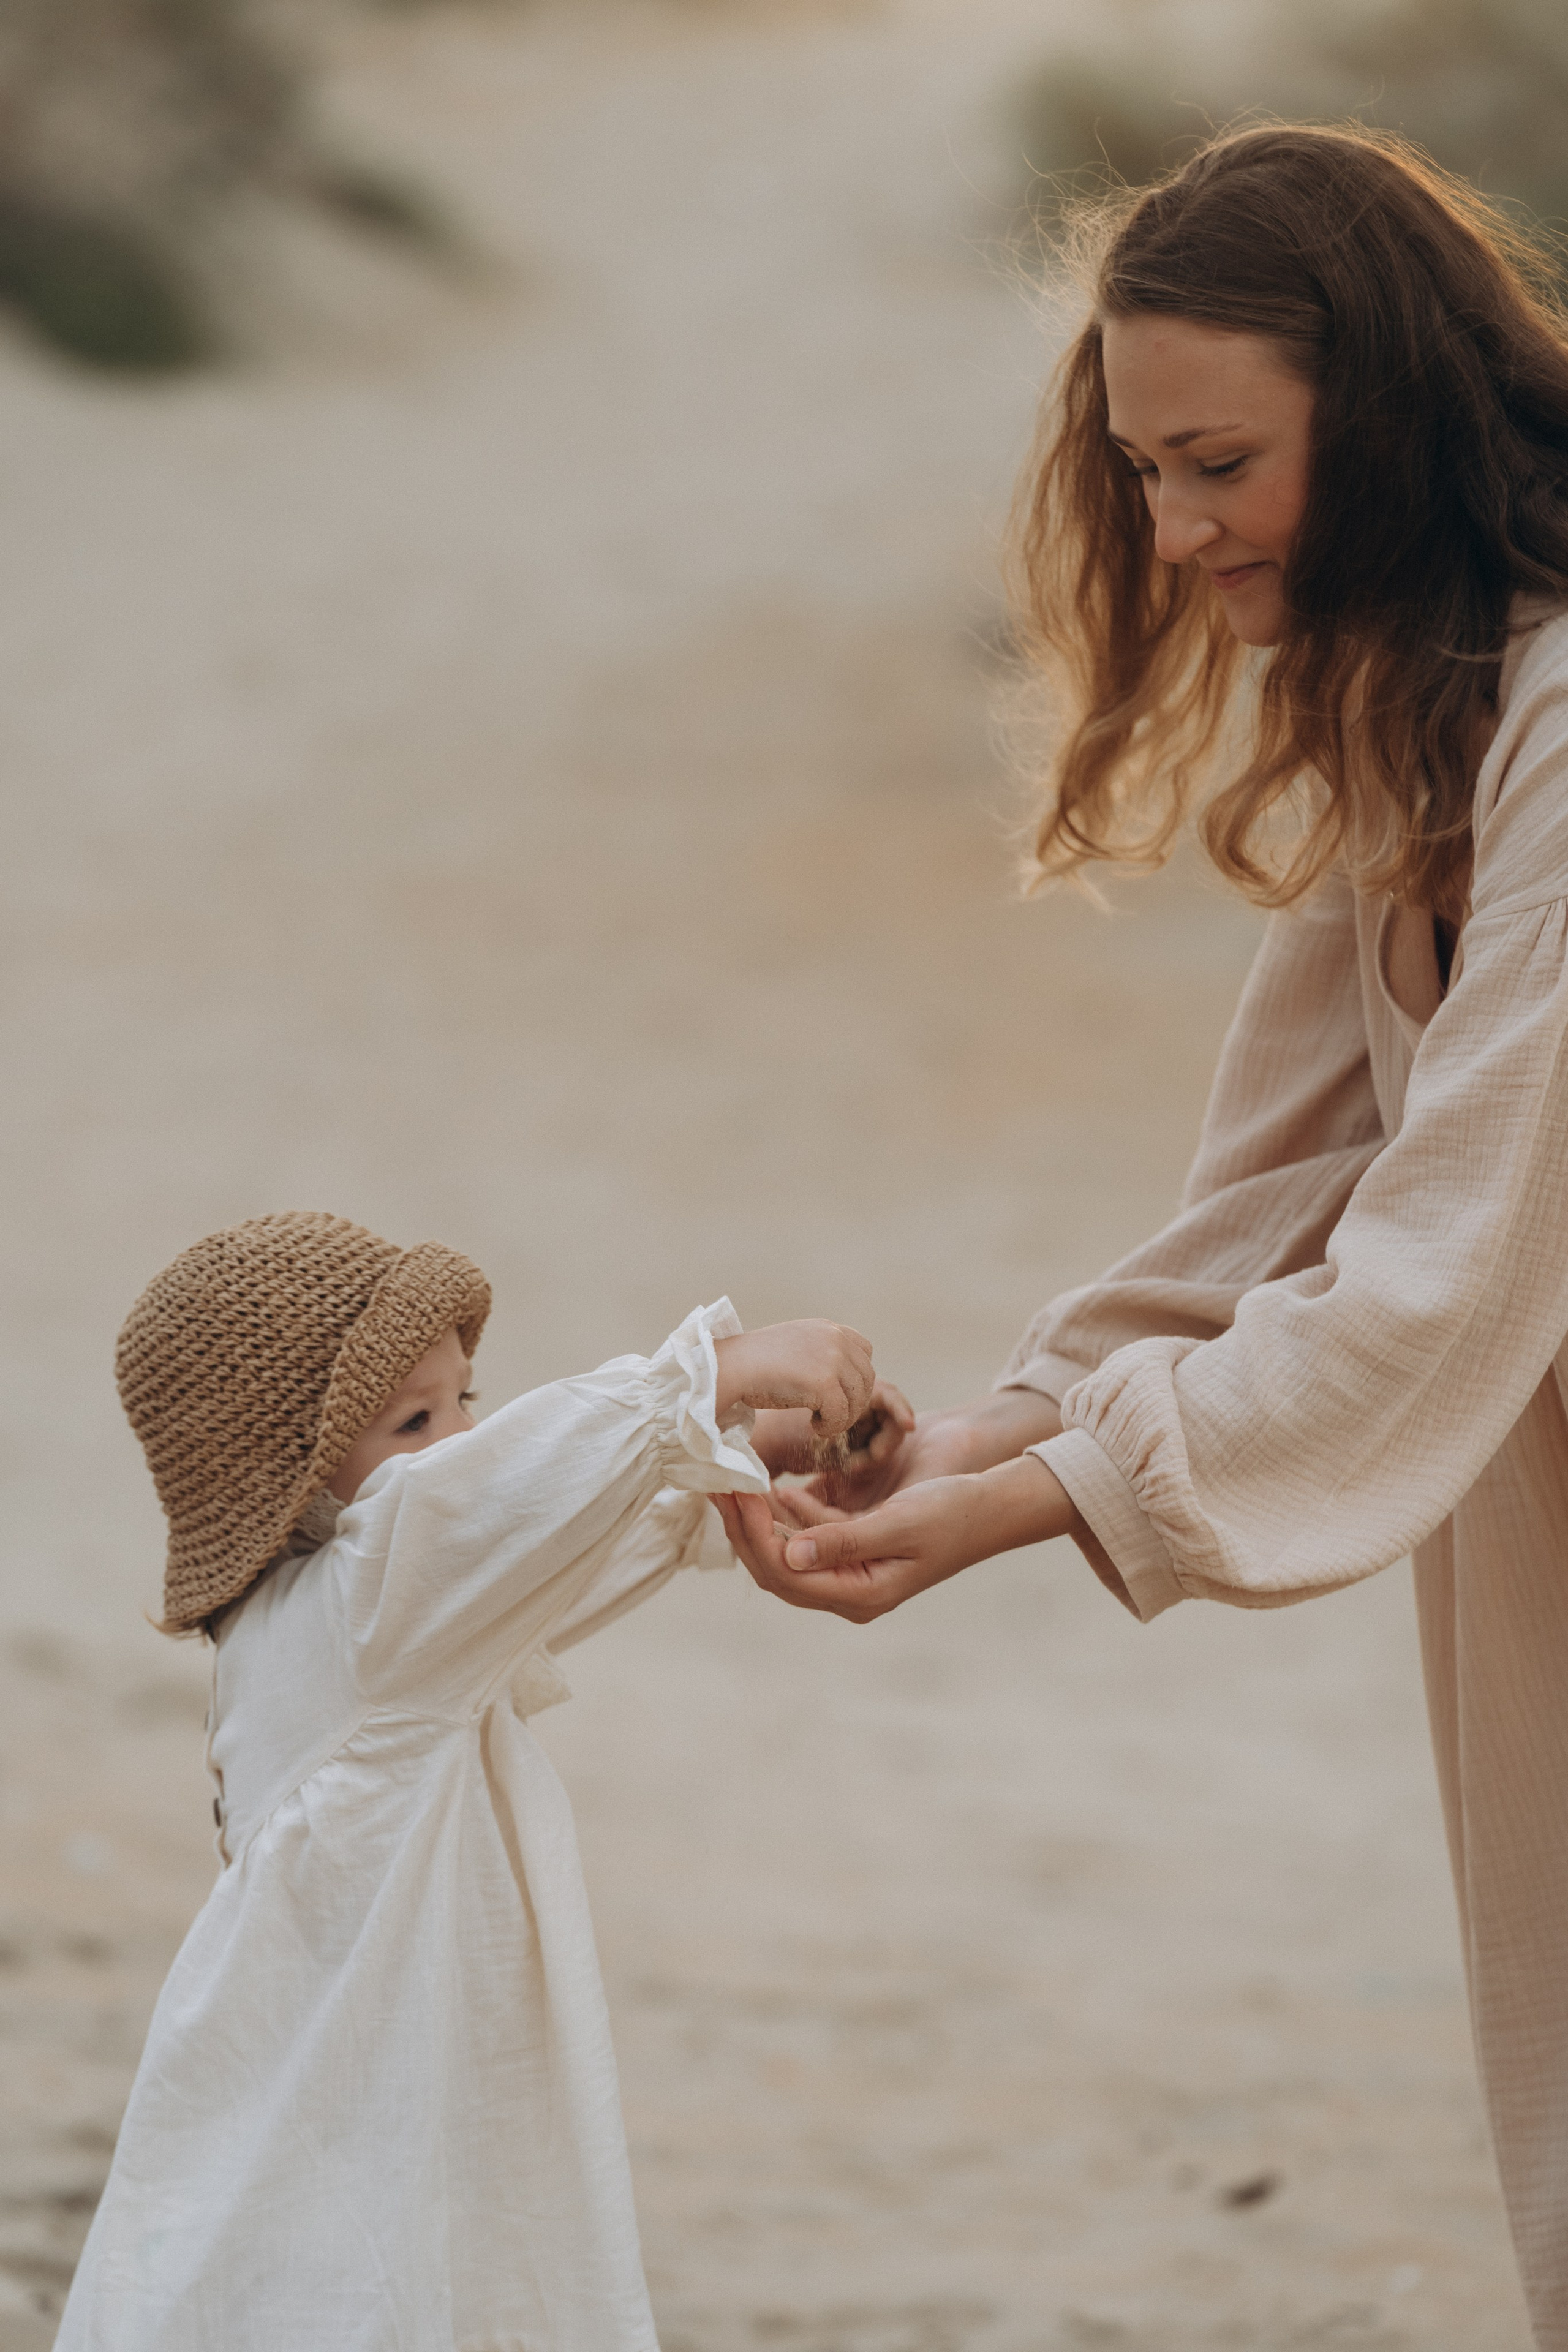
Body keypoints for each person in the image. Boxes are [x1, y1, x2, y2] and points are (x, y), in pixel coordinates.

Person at [722, 126, 1568, 2346]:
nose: (1174, 532)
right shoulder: (1431, 692)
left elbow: (1447, 1255)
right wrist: (998, 1426)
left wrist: (1044, 1501)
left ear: (1385, 419)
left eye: (1221, 465)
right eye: (1142, 472)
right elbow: (1287, 1190)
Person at [59, 1208, 906, 2352]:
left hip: (387, 2138)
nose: (464, 1438)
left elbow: (553, 1534)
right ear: (290, 1491)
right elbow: (500, 1500)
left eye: (466, 1399)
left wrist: (752, 1451)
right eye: (416, 1421)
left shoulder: (395, 1624)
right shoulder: (366, 1607)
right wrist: (714, 1377)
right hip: (325, 2184)